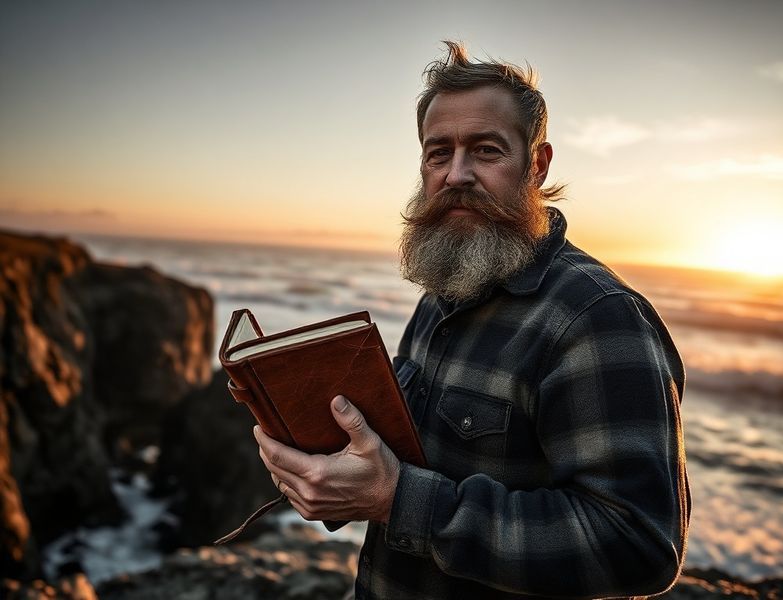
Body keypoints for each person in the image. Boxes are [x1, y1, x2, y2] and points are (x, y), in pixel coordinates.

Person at [254, 41, 690, 599]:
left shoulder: (595, 319)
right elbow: (408, 463)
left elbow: (637, 545)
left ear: (537, 164)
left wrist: (395, 498)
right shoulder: (444, 289)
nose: (456, 174)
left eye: (485, 150)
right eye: (438, 154)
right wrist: (324, 466)